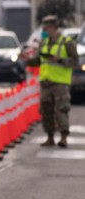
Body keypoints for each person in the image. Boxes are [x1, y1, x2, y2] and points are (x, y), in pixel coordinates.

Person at [27, 15, 78, 148]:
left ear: (54, 27)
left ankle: (63, 138)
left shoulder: (67, 42)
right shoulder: (43, 43)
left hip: (60, 83)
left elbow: (75, 62)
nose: (45, 31)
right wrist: (26, 59)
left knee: (61, 110)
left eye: (47, 28)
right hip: (46, 82)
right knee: (46, 110)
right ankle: (50, 136)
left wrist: (60, 60)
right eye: (44, 28)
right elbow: (38, 61)